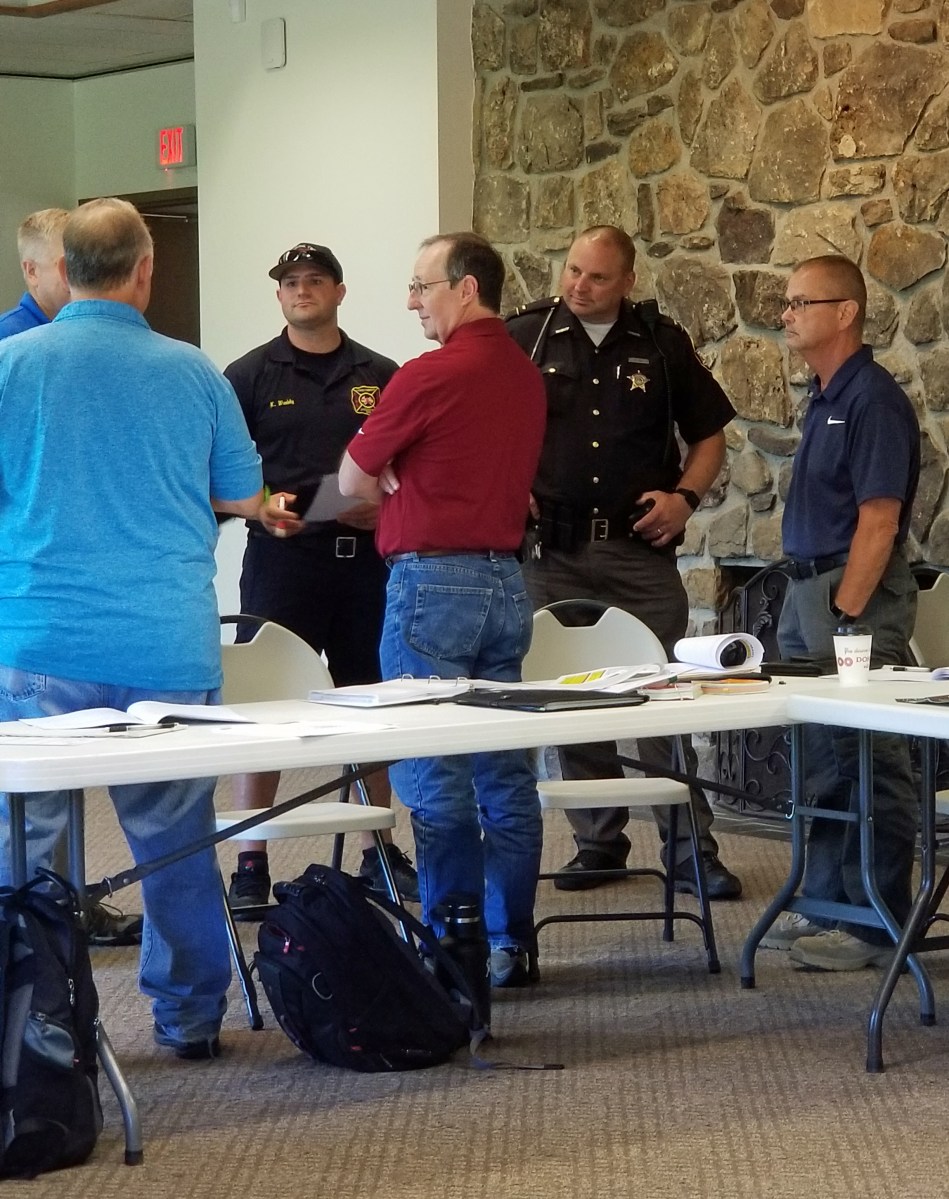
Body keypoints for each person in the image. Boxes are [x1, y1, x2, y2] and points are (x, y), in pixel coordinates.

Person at [0, 197, 272, 1059]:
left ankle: (36, 1024)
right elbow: (243, 494)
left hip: (41, 639)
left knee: (27, 845)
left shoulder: (9, 366)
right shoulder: (195, 373)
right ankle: (188, 1016)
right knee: (174, 841)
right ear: (145, 271)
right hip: (166, 642)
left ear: (61, 270)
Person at [506, 225, 742, 899]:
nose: (579, 285)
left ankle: (690, 851)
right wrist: (505, 483)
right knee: (575, 699)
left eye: (597, 277)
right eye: (573, 270)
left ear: (627, 282)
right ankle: (599, 842)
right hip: (553, 551)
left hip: (638, 551)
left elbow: (709, 436)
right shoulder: (526, 336)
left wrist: (685, 498)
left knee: (663, 698)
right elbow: (481, 424)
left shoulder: (660, 344)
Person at [339, 232, 547, 988]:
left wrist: (392, 464)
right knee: (505, 774)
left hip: (432, 585)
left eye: (421, 285)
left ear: (466, 288)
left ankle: (454, 947)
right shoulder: (525, 375)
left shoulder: (427, 374)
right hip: (507, 581)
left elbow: (350, 480)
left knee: (433, 770)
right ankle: (510, 940)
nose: (410, 301)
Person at [223, 242, 418, 907]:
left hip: (365, 564)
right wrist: (257, 504)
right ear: (279, 295)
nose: (301, 290)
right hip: (283, 563)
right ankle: (251, 859)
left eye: (314, 280)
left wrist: (386, 508)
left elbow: (409, 468)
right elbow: (219, 470)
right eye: (290, 282)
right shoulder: (249, 375)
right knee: (267, 707)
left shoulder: (381, 374)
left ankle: (376, 848)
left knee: (371, 701)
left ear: (338, 291)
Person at [761, 254, 920, 971]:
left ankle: (876, 920)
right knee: (824, 758)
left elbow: (878, 521)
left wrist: (846, 611)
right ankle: (826, 902)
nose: (786, 314)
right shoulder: (824, 394)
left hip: (848, 598)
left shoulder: (871, 400)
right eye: (788, 301)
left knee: (869, 756)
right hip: (808, 594)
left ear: (846, 312)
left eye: (802, 302)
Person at [0, 204, 144, 949]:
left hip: (94, 600)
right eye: (69, 263)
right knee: (34, 789)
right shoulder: (13, 351)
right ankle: (40, 949)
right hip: (33, 596)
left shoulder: (103, 347)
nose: (84, 275)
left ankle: (70, 908)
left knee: (68, 778)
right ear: (36, 271)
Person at [0, 207, 70, 340]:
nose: (80, 273)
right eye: (68, 265)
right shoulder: (6, 335)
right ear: (32, 272)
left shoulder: (85, 327)